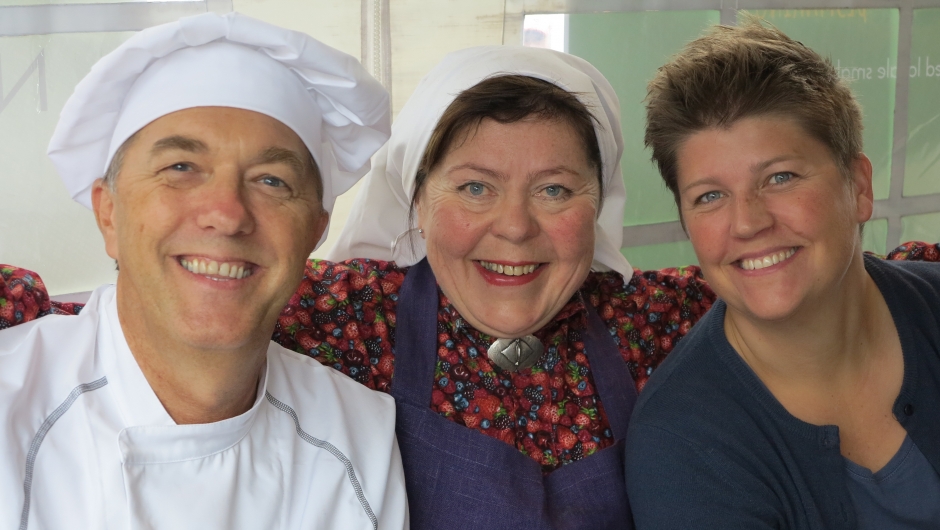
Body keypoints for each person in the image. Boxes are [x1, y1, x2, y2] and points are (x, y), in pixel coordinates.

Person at [0, 13, 408, 530]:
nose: (227, 213)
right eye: (180, 168)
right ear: (109, 213)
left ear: (314, 232)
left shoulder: (358, 435)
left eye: (272, 180)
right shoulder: (9, 408)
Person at [301, 46, 716, 529]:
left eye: (553, 190)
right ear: (417, 200)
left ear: (599, 203)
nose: (515, 228)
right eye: (476, 188)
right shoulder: (343, 318)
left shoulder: (656, 321)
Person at [625, 20, 940, 529]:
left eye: (780, 177)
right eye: (709, 196)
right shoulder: (683, 445)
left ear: (858, 187)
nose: (748, 222)